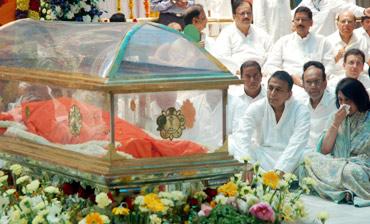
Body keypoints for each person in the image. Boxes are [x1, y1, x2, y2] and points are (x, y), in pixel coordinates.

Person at [0, 93, 207, 159]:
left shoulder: (63, 102)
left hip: (95, 122)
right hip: (80, 128)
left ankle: (145, 143)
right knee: (125, 139)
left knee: (122, 131)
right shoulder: (27, 113)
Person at [302, 78, 370, 204]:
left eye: (347, 100)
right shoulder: (335, 117)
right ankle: (344, 190)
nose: (344, 104)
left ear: (358, 98)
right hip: (337, 163)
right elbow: (325, 150)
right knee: (307, 158)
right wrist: (336, 124)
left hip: (361, 168)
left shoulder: (368, 118)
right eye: (340, 100)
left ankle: (337, 188)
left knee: (351, 172)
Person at [229, 71, 310, 174]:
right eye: (270, 88)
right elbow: (242, 134)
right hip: (264, 155)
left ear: (289, 94)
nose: (272, 94)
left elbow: (298, 142)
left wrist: (281, 169)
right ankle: (254, 174)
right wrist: (248, 163)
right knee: (232, 144)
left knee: (308, 158)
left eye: (278, 90)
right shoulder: (257, 107)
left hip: (293, 159)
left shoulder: (301, 110)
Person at [263, 6, 334, 87]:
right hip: (289, 85)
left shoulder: (323, 42)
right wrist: (290, 76)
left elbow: (329, 67)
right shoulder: (283, 42)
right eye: (297, 20)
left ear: (311, 23)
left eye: (303, 20)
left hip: (316, 86)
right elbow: (271, 66)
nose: (300, 23)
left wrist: (314, 79)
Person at [214, 0, 272, 75]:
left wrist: (263, 71)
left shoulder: (262, 34)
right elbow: (223, 58)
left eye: (249, 13)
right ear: (234, 16)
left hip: (261, 75)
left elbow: (271, 56)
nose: (246, 16)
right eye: (242, 13)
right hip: (237, 75)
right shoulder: (226, 34)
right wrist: (240, 71)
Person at [301, 61, 337, 149]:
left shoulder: (336, 102)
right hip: (305, 155)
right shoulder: (301, 106)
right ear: (303, 85)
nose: (313, 86)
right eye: (308, 82)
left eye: (317, 82)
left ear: (325, 83)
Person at [227, 60, 266, 136]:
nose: (252, 80)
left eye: (255, 76)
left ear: (261, 76)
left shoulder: (271, 98)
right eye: (248, 76)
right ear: (241, 78)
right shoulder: (232, 98)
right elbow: (229, 129)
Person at [325, 11, 368, 77]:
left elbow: (367, 60)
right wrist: (337, 57)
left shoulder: (362, 39)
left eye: (350, 22)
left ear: (355, 24)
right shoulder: (328, 41)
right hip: (336, 77)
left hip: (358, 76)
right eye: (343, 21)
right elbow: (325, 65)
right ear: (337, 24)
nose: (346, 24)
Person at [294, 0, 370, 36]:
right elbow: (292, 14)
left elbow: (347, 7)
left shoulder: (331, 2)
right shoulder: (306, 2)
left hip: (327, 40)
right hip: (311, 40)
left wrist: (363, 11)